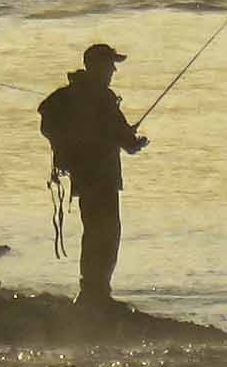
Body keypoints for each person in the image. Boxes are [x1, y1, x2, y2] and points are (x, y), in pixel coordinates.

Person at [39, 42, 148, 307]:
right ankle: (96, 294)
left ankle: (92, 290)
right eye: (110, 65)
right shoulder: (101, 98)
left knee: (94, 230)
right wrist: (136, 143)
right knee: (107, 232)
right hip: (102, 175)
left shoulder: (68, 95)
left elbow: (47, 121)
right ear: (97, 67)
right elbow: (123, 138)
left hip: (83, 174)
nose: (113, 71)